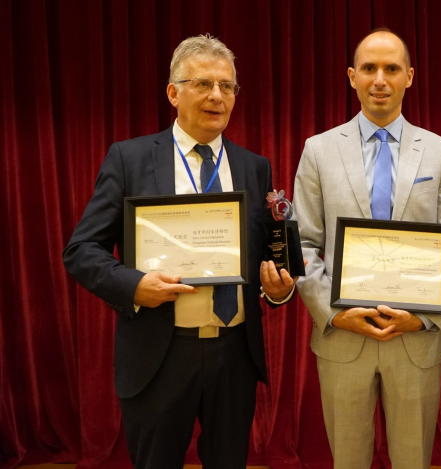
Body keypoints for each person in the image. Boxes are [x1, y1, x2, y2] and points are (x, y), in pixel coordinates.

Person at [62, 35, 296, 469]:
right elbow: (81, 250)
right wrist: (134, 286)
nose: (217, 96)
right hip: (160, 354)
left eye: (227, 86)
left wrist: (279, 290)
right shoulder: (129, 159)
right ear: (173, 92)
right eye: (203, 83)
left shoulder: (254, 166)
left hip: (234, 355)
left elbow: (267, 256)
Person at [292, 28, 441, 469]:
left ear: (409, 76)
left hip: (415, 339)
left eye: (391, 69)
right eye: (369, 68)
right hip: (343, 337)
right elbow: (304, 244)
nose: (379, 80)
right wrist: (335, 314)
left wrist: (423, 317)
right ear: (352, 76)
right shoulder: (318, 150)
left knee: (413, 461)